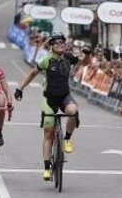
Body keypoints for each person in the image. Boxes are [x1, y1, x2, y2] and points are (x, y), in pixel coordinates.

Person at [14, 33, 87, 181]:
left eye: (62, 43)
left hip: (65, 97)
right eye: (57, 43)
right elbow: (33, 73)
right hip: (50, 99)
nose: (60, 45)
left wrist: (86, 53)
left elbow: (82, 60)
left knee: (73, 111)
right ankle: (47, 167)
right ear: (52, 46)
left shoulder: (68, 58)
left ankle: (67, 139)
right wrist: (20, 88)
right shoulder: (46, 61)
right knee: (48, 133)